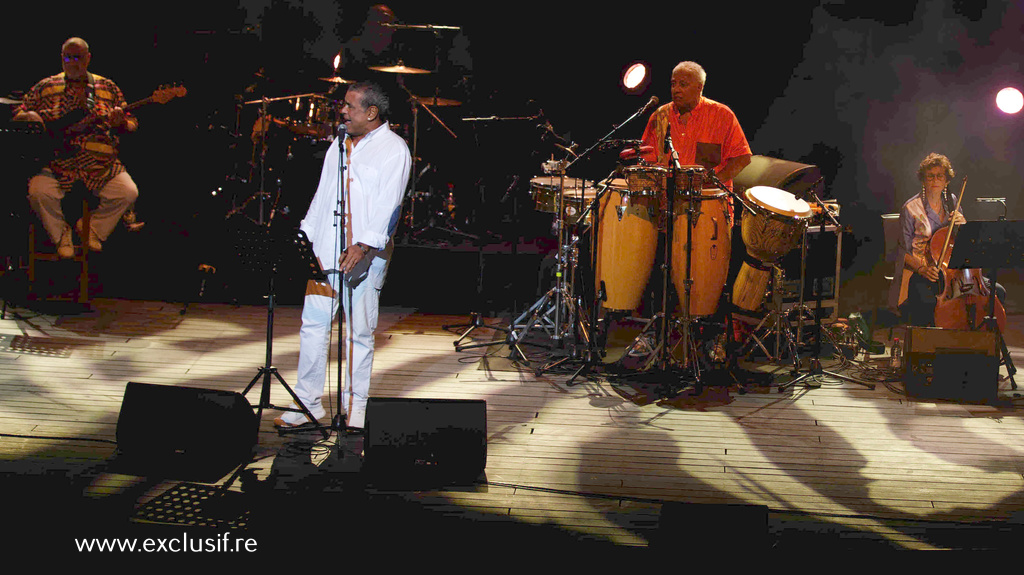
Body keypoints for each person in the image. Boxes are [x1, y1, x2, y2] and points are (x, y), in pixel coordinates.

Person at [274, 81, 410, 430]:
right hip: (326, 251)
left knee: (359, 333)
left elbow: (389, 206)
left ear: (371, 112)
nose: (343, 112)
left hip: (364, 256)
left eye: (350, 106)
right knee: (313, 326)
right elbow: (323, 195)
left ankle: (357, 408)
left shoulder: (394, 150)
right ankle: (307, 404)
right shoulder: (338, 144)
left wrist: (363, 245)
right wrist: (306, 235)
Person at [13, 37, 139, 257]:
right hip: (56, 163)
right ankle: (61, 234)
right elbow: (18, 113)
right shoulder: (46, 86)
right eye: (67, 58)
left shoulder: (107, 86)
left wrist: (123, 123)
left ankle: (91, 229)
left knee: (128, 193)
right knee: (38, 193)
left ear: (88, 58)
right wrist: (31, 117)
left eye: (78, 58)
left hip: (101, 164)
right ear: (61, 59)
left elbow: (131, 121)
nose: (72, 63)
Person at [888, 152, 1003, 326]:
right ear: (923, 180)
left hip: (953, 271)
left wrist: (963, 224)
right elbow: (902, 252)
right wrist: (922, 269)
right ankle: (933, 343)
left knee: (997, 292)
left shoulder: (952, 201)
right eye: (930, 176)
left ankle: (976, 339)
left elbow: (964, 242)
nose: (935, 180)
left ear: (946, 181)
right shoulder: (910, 208)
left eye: (939, 176)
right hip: (926, 273)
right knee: (928, 301)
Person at [640, 61, 752, 200]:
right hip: (667, 205)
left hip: (710, 203)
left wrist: (714, 180)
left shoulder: (722, 115)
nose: (676, 89)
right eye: (673, 84)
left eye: (683, 84)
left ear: (699, 87)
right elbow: (646, 161)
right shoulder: (659, 116)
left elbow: (742, 158)